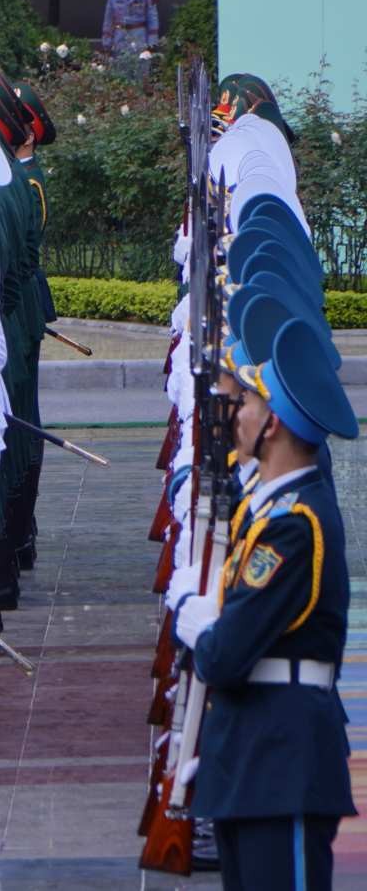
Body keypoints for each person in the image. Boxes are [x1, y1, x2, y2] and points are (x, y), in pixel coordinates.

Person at [168, 317, 356, 891]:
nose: (237, 411)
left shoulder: (294, 528)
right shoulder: (273, 512)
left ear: (271, 423)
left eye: (246, 400)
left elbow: (226, 654)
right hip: (251, 757)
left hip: (283, 760)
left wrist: (201, 624)